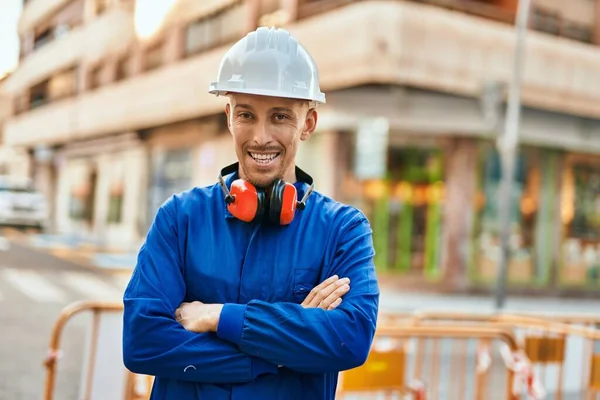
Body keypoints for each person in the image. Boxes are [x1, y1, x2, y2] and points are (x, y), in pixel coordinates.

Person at [122, 26, 380, 400]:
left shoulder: (343, 230)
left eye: (279, 117)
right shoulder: (180, 218)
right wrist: (279, 353)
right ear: (229, 117)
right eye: (246, 115)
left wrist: (218, 317)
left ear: (308, 123)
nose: (260, 136)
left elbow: (349, 340)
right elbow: (142, 341)